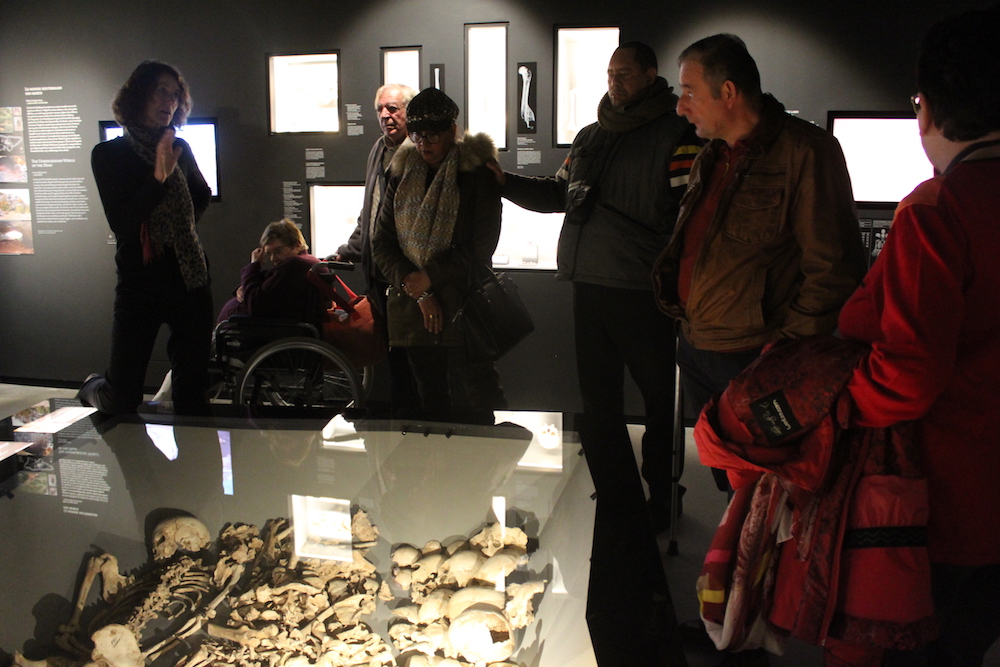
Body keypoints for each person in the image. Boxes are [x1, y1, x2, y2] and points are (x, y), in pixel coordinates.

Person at [836, 6, 1000, 665]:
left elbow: (908, 374)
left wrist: (834, 403)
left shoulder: (936, 210)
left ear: (926, 110)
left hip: (948, 504)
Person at [491, 41, 702, 529]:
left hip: (643, 292)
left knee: (658, 404)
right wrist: (503, 182)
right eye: (610, 73)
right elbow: (558, 194)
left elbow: (690, 215)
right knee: (599, 406)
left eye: (624, 73)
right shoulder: (591, 135)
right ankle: (617, 497)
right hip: (589, 287)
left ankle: (663, 500)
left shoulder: (678, 134)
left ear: (650, 74)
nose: (615, 82)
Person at [653, 34, 867, 492]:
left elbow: (835, 268)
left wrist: (782, 354)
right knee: (729, 482)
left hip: (756, 357)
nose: (680, 106)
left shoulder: (805, 152)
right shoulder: (711, 156)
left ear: (728, 93)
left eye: (689, 92)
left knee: (766, 493)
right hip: (699, 345)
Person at [80, 60, 213, 416]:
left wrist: (179, 229)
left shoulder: (180, 147)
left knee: (192, 395)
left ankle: (193, 454)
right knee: (122, 399)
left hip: (190, 277)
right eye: (161, 91)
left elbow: (201, 195)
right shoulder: (109, 155)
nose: (169, 101)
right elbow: (123, 223)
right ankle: (91, 386)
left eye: (175, 94)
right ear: (138, 95)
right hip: (141, 282)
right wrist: (157, 179)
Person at [371, 87, 506, 417]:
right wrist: (418, 289)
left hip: (465, 305)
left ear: (452, 130)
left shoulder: (476, 174)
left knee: (479, 400)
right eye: (417, 135)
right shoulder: (402, 174)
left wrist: (429, 276)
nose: (423, 144)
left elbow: (481, 246)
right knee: (430, 404)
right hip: (416, 311)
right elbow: (382, 243)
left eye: (432, 135)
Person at [336, 83, 420, 411]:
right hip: (378, 275)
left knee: (412, 356)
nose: (386, 115)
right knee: (392, 356)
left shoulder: (419, 153)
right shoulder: (378, 149)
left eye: (393, 108)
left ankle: (414, 421)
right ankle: (400, 421)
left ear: (409, 112)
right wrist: (351, 249)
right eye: (380, 109)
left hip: (405, 274)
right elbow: (370, 209)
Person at [217, 218, 327, 327]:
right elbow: (268, 281)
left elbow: (255, 304)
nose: (273, 258)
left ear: (297, 245)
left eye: (278, 251)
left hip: (273, 328)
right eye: (269, 254)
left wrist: (254, 265)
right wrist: (244, 289)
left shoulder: (294, 264)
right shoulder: (307, 262)